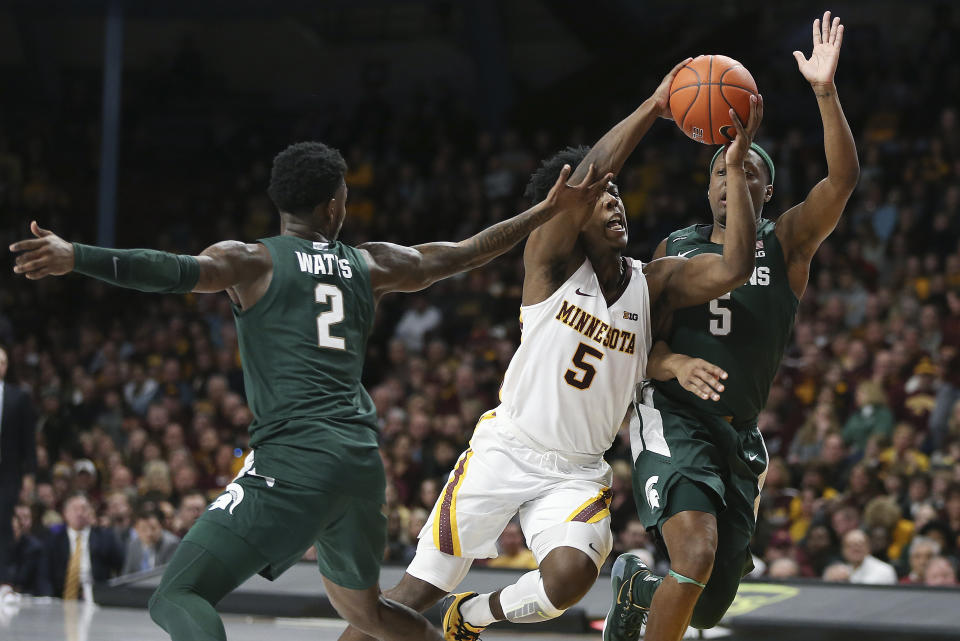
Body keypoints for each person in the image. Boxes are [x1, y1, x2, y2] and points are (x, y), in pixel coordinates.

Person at [10, 140, 610, 641]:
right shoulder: (369, 264)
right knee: (368, 613)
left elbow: (167, 270)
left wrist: (75, 256)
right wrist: (543, 212)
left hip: (291, 465)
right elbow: (462, 254)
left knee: (179, 593)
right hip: (357, 466)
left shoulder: (252, 260)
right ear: (332, 207)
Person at [340, 58, 763, 641]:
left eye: (618, 195)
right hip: (508, 449)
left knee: (567, 581)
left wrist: (737, 170)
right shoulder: (549, 265)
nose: (614, 201)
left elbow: (737, 266)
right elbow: (588, 176)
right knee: (410, 596)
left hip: (578, 471)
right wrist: (654, 107)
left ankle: (472, 616)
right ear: (571, 212)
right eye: (601, 197)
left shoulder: (655, 281)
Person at [605, 12, 860, 641]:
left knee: (711, 605)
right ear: (707, 187)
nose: (732, 178)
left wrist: (824, 93)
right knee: (692, 556)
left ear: (766, 190)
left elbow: (843, 180)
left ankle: (638, 587)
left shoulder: (788, 243)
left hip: (739, 433)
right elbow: (641, 339)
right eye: (721, 171)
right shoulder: (676, 246)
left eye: (746, 170)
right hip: (674, 415)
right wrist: (673, 365)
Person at [0, 345, 37, 585]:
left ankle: (2, 579)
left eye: (2, 361)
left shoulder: (18, 396)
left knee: (3, 523)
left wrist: (30, 475)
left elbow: (28, 439)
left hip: (8, 472)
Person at [44, 493, 124, 599]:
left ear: (90, 512)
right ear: (65, 513)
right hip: (62, 598)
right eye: (75, 509)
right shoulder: (54, 540)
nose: (79, 513)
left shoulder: (105, 537)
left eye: (84, 509)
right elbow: (45, 574)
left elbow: (121, 565)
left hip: (97, 597)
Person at [122, 510, 181, 575]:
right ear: (136, 529)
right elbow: (126, 575)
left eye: (153, 528)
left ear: (161, 526)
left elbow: (170, 575)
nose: (149, 533)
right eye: (144, 529)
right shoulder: (133, 545)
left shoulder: (171, 544)